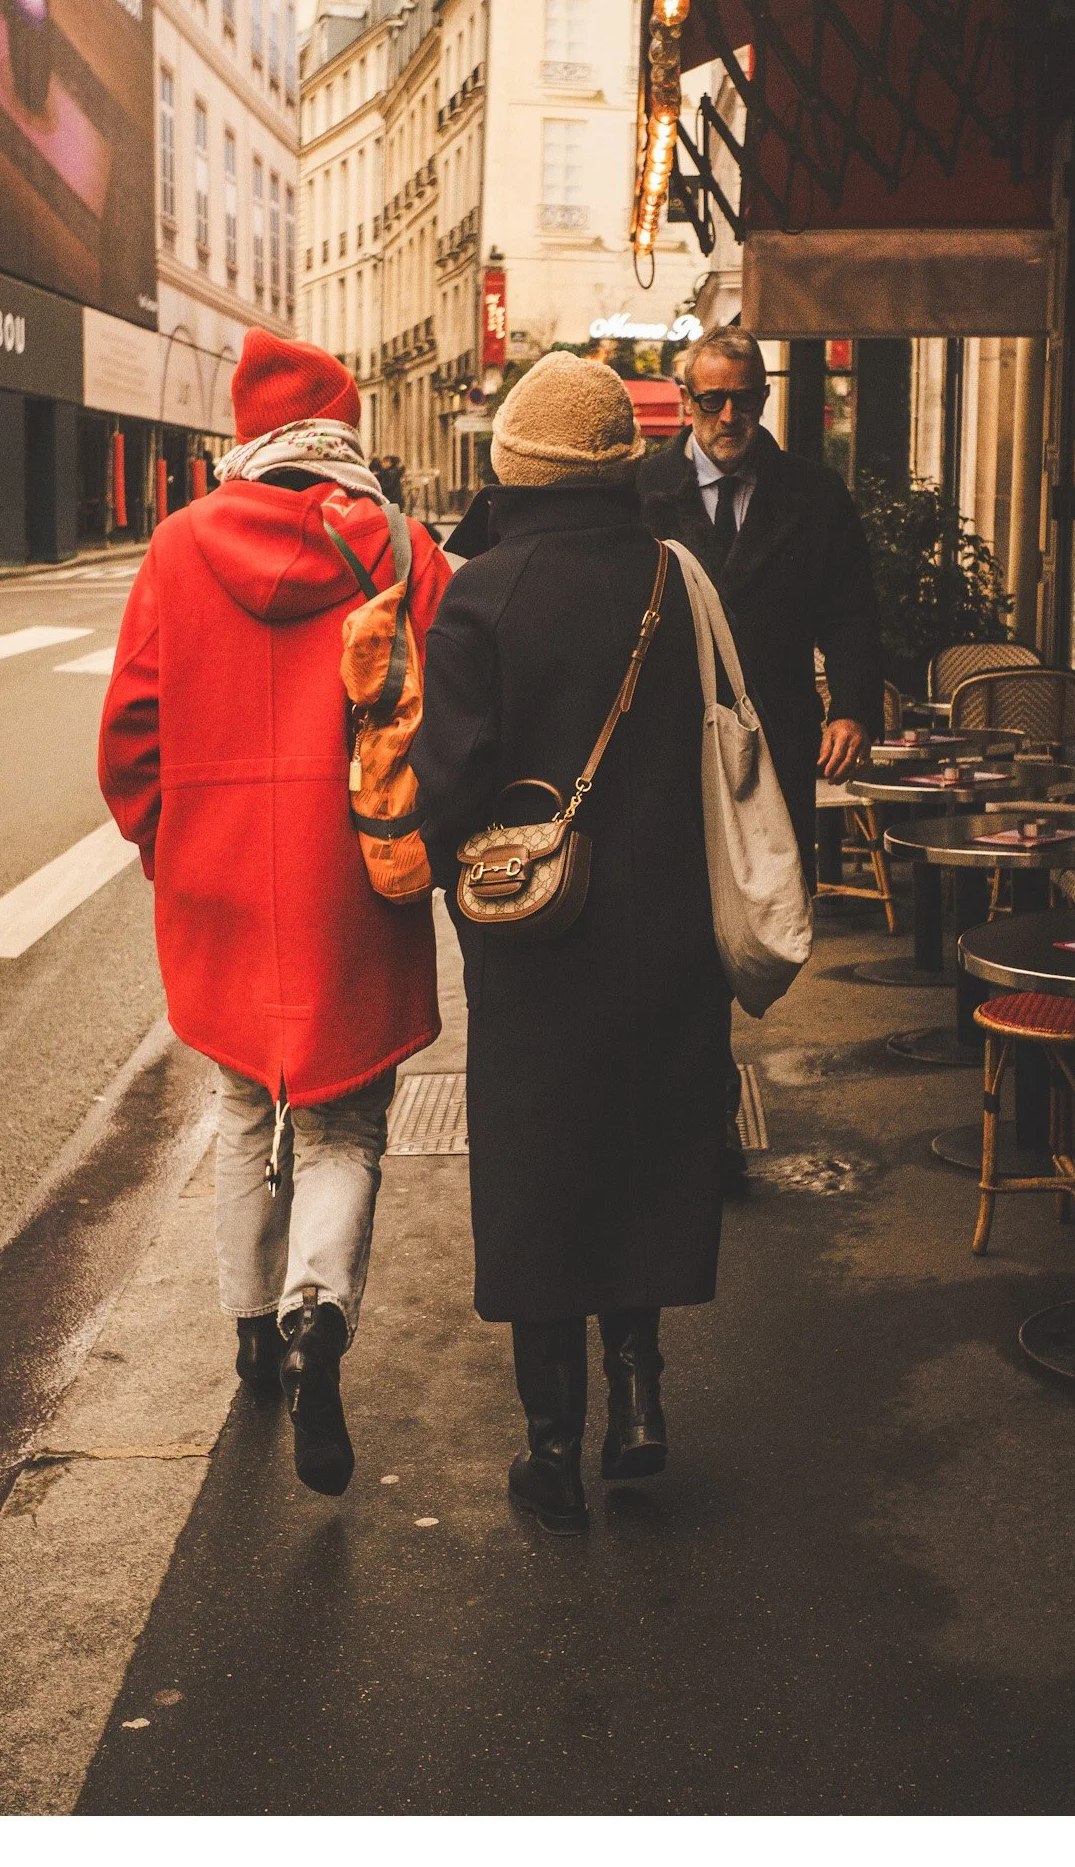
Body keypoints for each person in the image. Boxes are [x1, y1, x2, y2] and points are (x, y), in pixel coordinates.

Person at [99, 330, 451, 1498]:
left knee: (244, 1097)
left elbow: (130, 738)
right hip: (351, 873)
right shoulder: (405, 547)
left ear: (248, 434)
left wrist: (173, 842)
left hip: (221, 874)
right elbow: (449, 718)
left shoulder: (178, 545)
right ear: (345, 433)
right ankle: (318, 1315)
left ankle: (250, 1328)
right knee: (347, 1119)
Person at [412, 352, 736, 1537]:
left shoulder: (482, 591)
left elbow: (444, 785)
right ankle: (640, 1401)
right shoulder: (675, 573)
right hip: (667, 930)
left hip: (540, 939)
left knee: (542, 1173)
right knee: (647, 1151)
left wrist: (479, 896)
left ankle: (551, 1445)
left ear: (513, 462)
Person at [639, 327, 884, 881]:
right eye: (711, 400)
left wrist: (852, 709)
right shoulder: (642, 491)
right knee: (677, 900)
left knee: (778, 903)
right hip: (671, 740)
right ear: (686, 401)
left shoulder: (815, 495)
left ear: (764, 399)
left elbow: (852, 614)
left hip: (778, 735)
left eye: (744, 399)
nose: (728, 416)